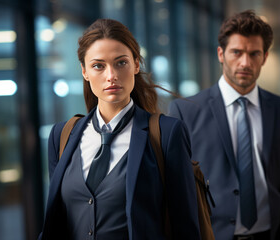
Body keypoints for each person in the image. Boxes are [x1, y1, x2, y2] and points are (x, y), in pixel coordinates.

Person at [38, 19, 201, 240]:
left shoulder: (167, 133)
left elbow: (185, 228)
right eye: (98, 65)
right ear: (84, 71)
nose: (111, 75)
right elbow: (57, 221)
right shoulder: (61, 136)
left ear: (136, 64)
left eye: (120, 63)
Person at [169, 10, 280, 240]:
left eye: (254, 54)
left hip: (275, 233)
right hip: (212, 235)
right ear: (221, 54)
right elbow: (176, 184)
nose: (245, 62)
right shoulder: (186, 110)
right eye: (236, 52)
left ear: (265, 57)